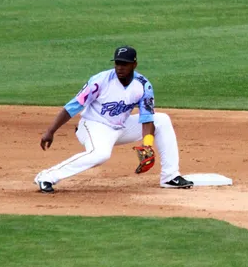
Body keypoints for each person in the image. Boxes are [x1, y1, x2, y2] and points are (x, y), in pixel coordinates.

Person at [34, 45, 194, 193]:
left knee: (162, 120)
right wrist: (51, 131)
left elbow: (147, 118)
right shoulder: (100, 81)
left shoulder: (143, 86)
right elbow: (73, 106)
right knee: (100, 154)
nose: (119, 67)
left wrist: (147, 146)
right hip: (92, 125)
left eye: (124, 64)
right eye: (117, 63)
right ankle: (47, 176)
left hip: (120, 127)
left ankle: (170, 176)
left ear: (134, 65)